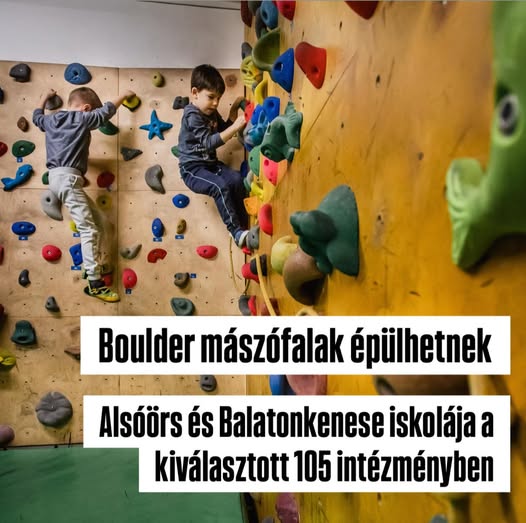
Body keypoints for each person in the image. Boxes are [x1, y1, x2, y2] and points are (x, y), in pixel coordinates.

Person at [33, 86, 135, 302]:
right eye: (91, 113)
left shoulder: (50, 120)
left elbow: (36, 117)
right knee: (88, 229)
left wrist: (44, 96)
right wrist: (124, 95)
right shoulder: (81, 118)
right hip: (68, 180)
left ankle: (93, 266)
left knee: (101, 224)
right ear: (86, 108)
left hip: (59, 179)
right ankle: (95, 283)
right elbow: (106, 111)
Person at [178, 64, 249, 247]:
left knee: (236, 180)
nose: (216, 103)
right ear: (195, 93)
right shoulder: (192, 115)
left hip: (210, 164)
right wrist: (236, 126)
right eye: (211, 97)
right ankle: (235, 231)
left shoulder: (210, 111)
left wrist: (234, 110)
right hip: (192, 170)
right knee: (219, 186)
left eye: (219, 98)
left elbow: (223, 130)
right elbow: (209, 142)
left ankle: (245, 226)